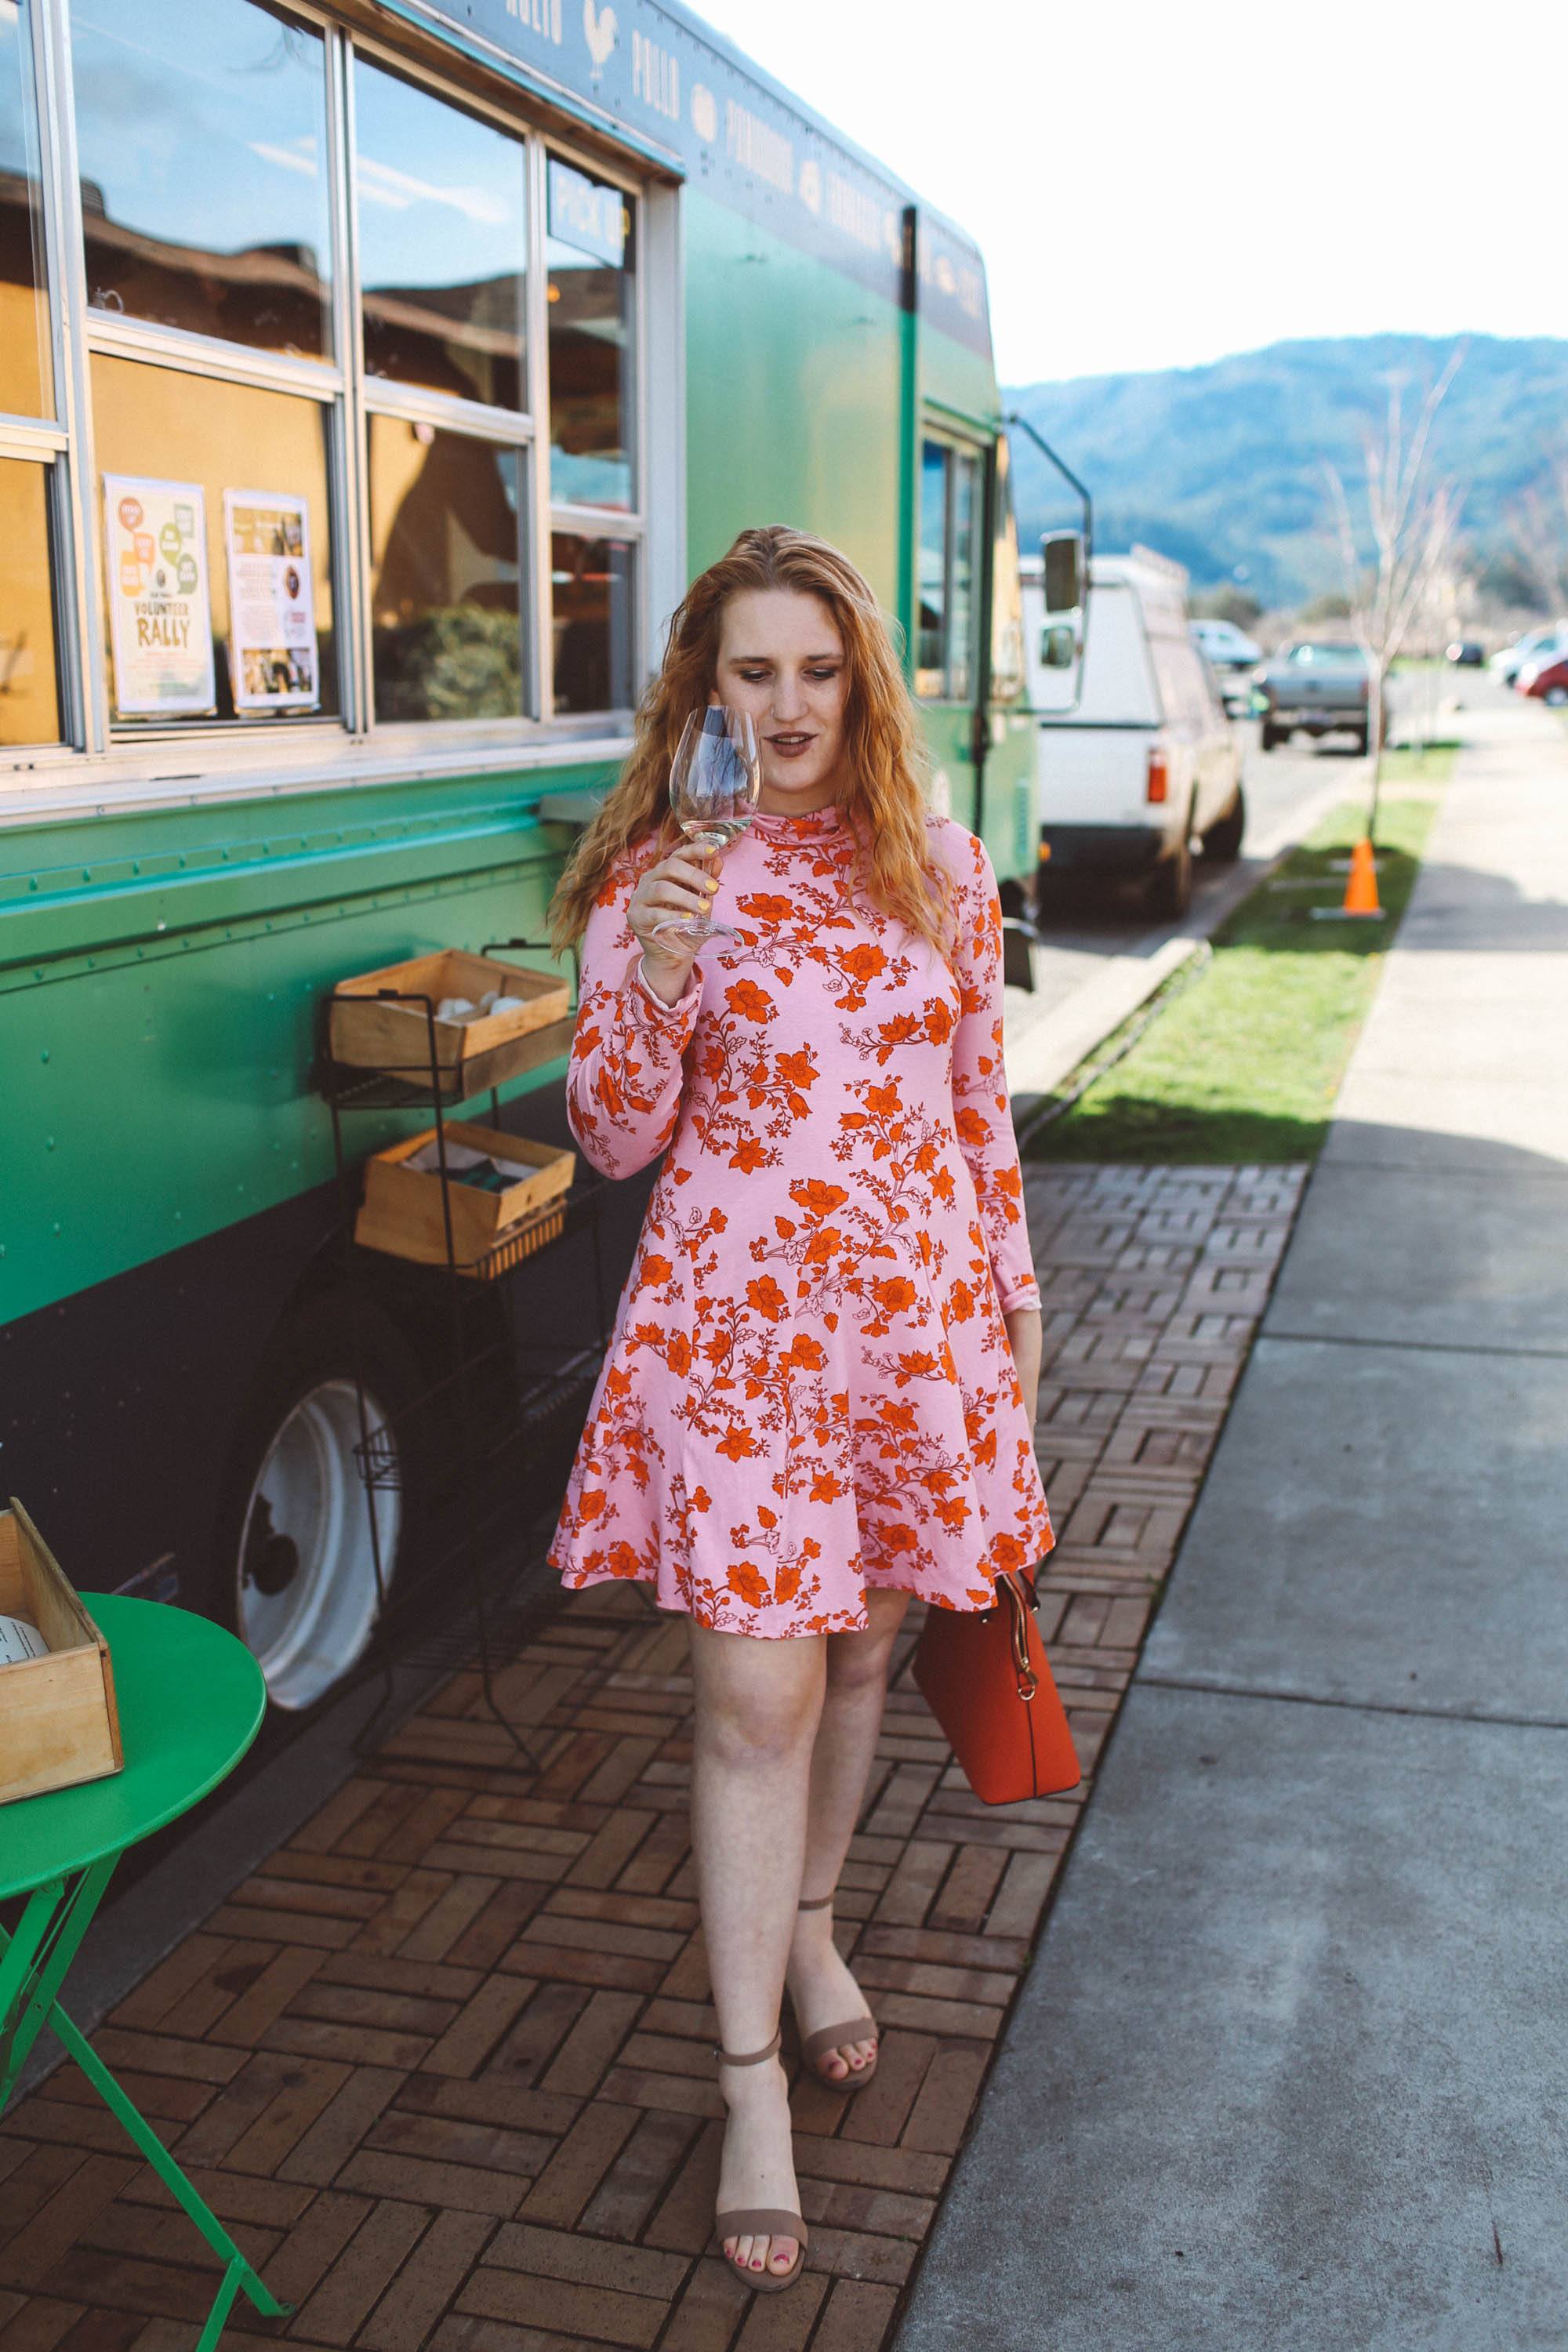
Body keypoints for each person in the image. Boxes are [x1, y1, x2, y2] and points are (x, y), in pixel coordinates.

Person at [546, 525, 1052, 2294]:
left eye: (816, 671)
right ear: (703, 691)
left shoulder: (944, 866)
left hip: (913, 1342)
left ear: (863, 681)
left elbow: (976, 1115)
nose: (784, 708)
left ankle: (818, 1929)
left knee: (856, 1662)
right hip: (738, 1349)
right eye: (748, 674)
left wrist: (1017, 1322)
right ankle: (745, 2075)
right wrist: (661, 967)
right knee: (756, 1692)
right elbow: (610, 1139)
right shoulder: (658, 880)